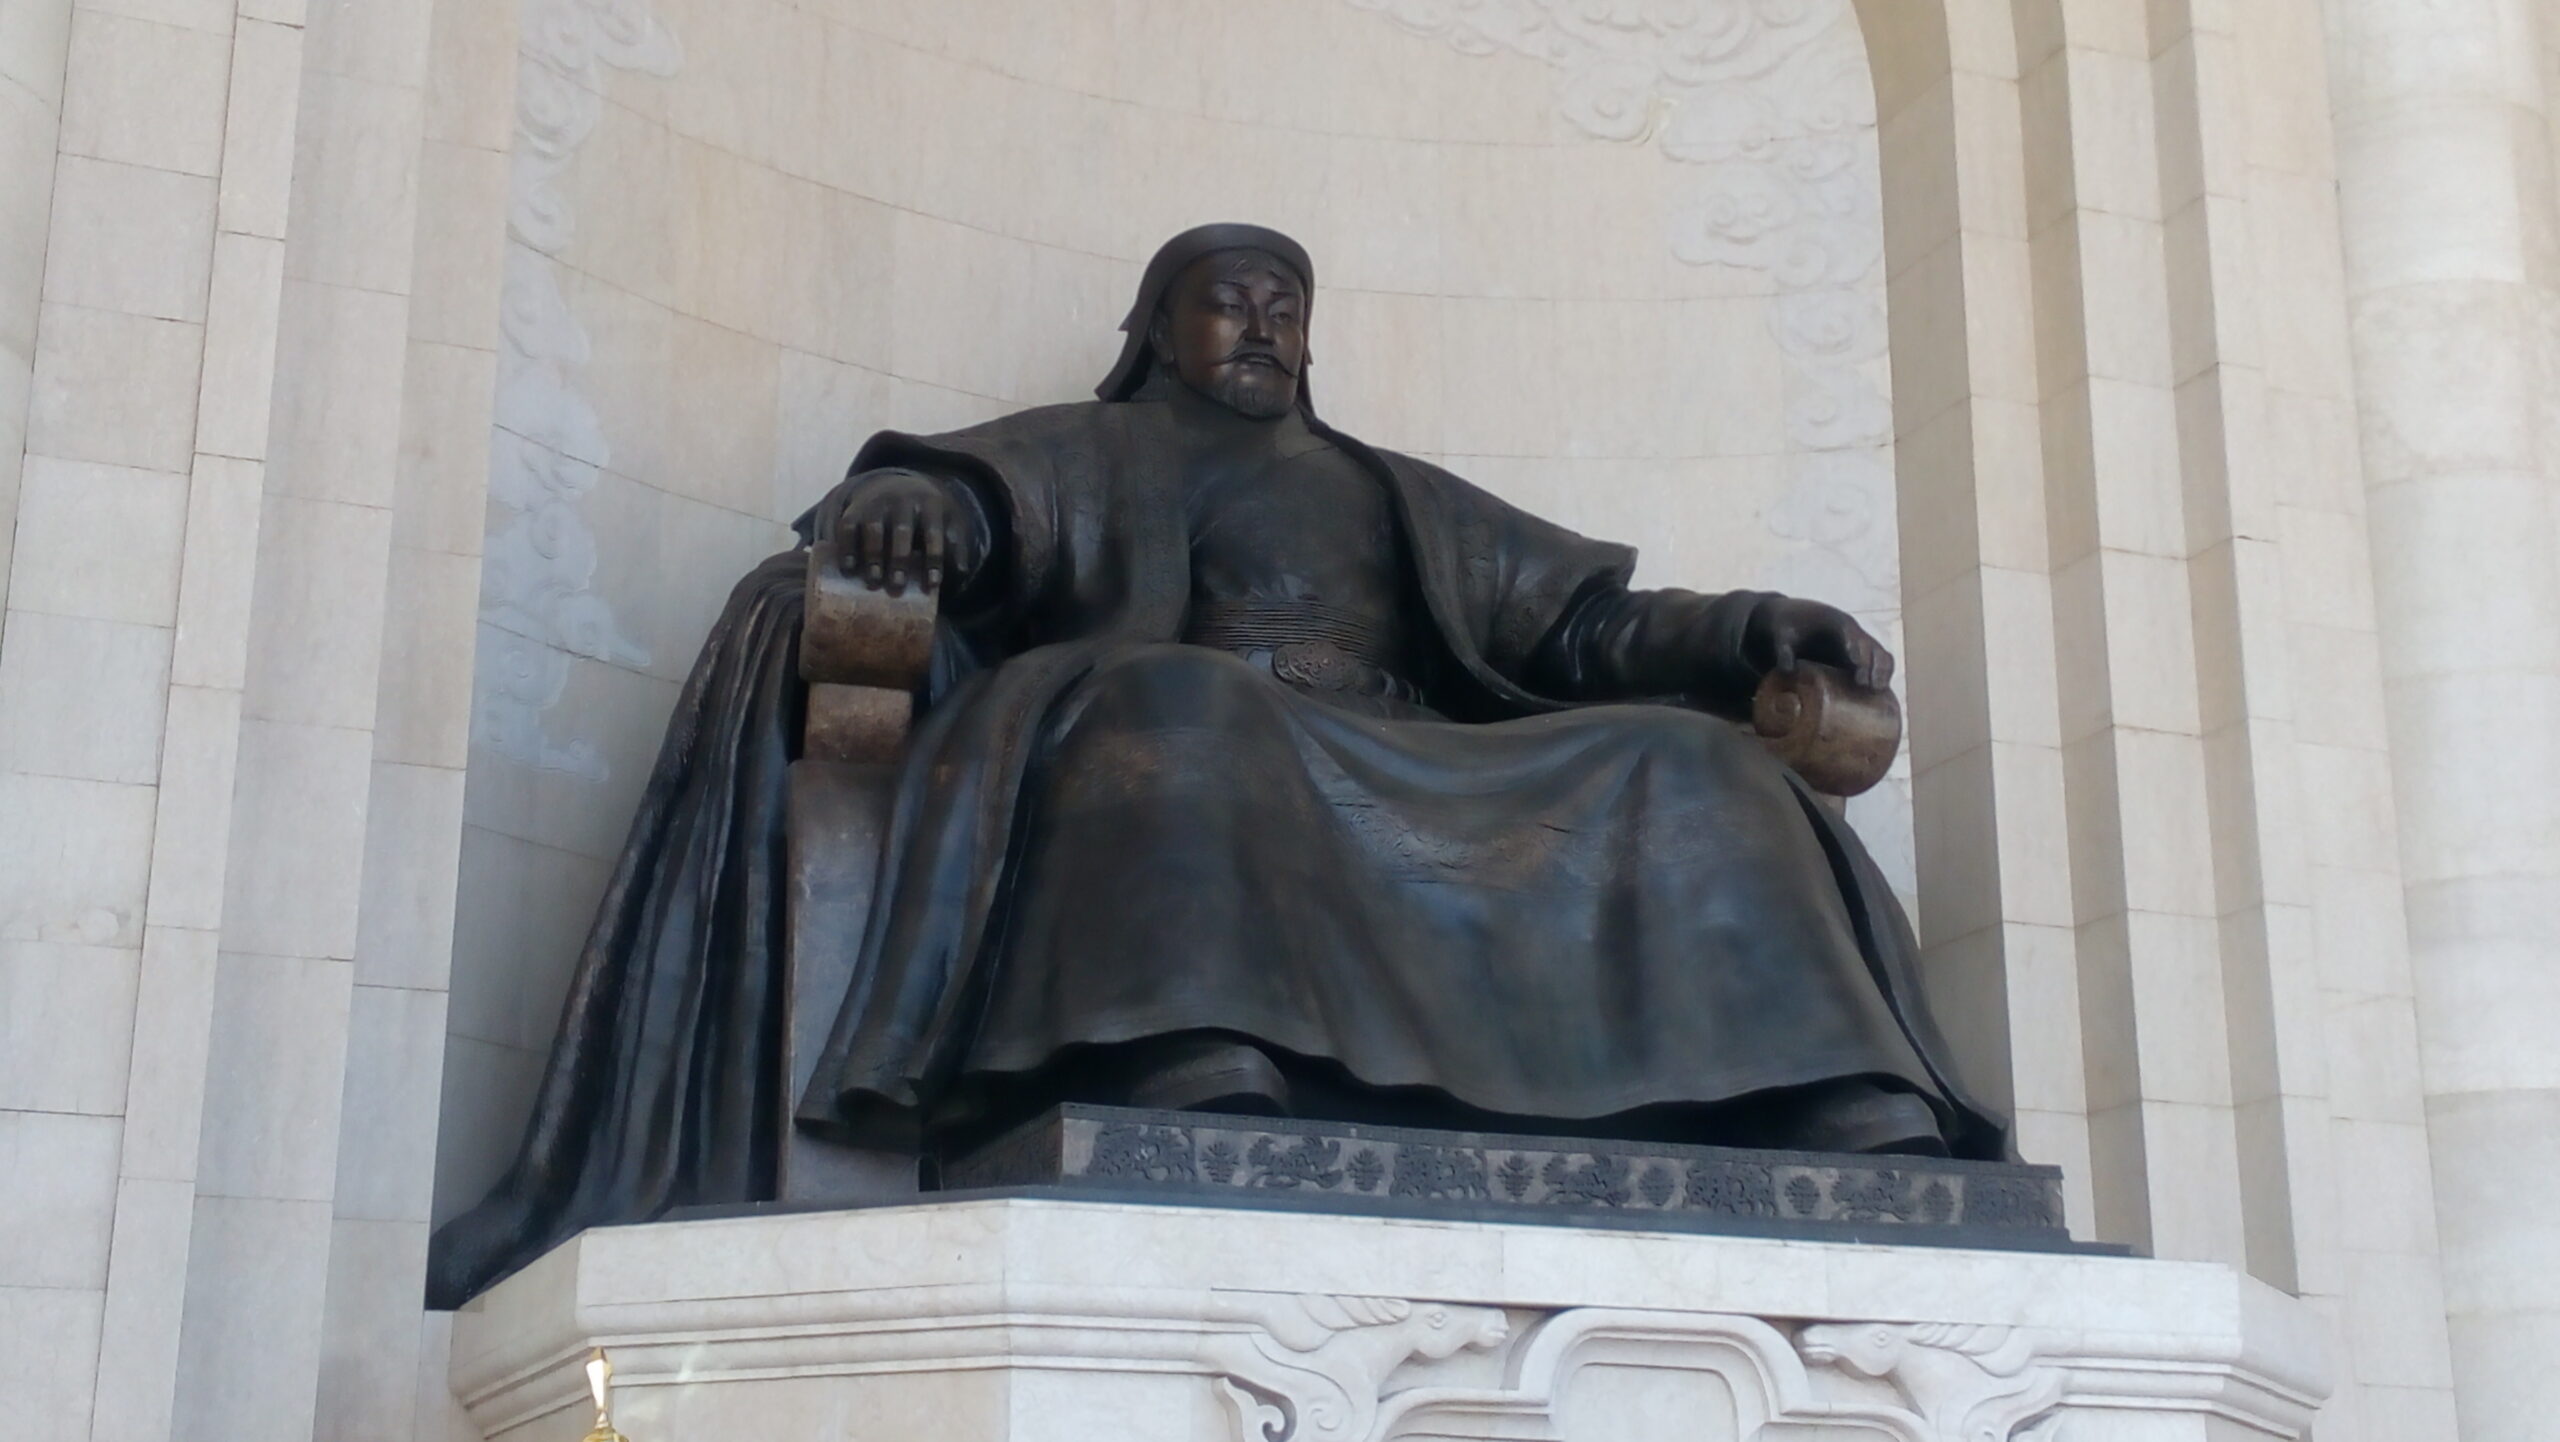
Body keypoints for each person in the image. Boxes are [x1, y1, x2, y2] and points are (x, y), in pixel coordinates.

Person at [426, 223, 2007, 1309]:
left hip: (1404, 745)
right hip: (1203, 725)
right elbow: (977, 511)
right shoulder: (1094, 446)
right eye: (1227, 297)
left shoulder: (1391, 488)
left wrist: (1747, 630)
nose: (1261, 321)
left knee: (1688, 762)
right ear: (1158, 332)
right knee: (1182, 713)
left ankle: (1829, 1092)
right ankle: (1190, 1059)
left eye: (1283, 302)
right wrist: (910, 508)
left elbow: (1586, 627)